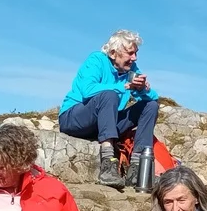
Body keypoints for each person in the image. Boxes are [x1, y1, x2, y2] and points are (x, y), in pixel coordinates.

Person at [59, 29, 160, 189]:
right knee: (109, 95)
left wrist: (143, 90)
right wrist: (123, 86)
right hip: (74, 119)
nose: (134, 58)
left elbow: (153, 97)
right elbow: (88, 90)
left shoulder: (131, 69)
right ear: (113, 53)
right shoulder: (96, 60)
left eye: (136, 53)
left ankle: (137, 168)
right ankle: (108, 164)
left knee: (150, 105)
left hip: (105, 124)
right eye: (130, 53)